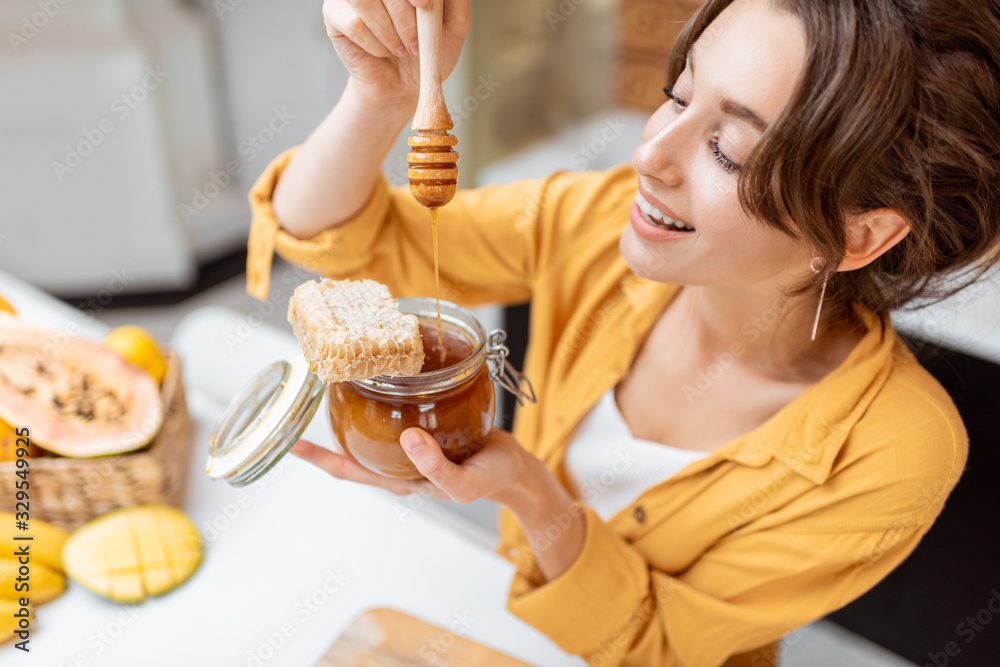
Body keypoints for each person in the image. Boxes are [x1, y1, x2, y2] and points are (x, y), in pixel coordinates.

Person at [243, 0, 1000, 664]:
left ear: (858, 233)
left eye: (726, 150)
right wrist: (380, 97)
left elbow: (660, 649)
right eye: (678, 96)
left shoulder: (897, 451)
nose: (649, 156)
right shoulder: (603, 217)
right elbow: (343, 239)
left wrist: (532, 497)